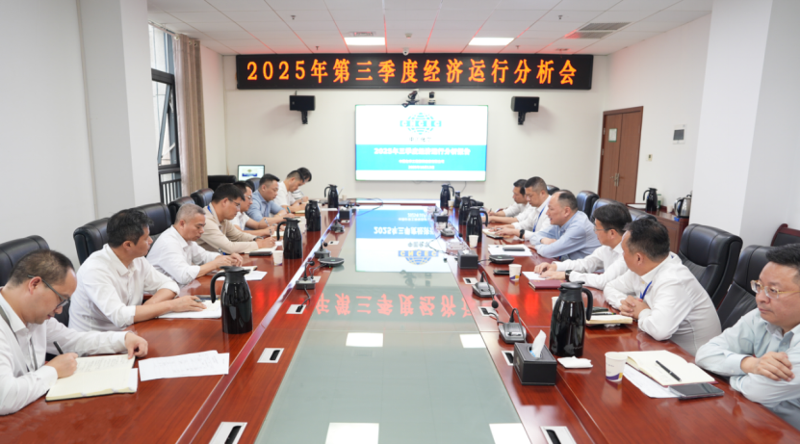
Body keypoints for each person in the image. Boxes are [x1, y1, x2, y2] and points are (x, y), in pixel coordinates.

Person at [0, 250, 149, 414]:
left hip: (32, 410)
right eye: (60, 299)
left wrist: (123, 339)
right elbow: (5, 397)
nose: (58, 311)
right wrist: (53, 370)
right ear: (34, 284)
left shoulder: (34, 315)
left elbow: (74, 340)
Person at [696, 244, 800, 430]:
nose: (760, 298)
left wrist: (729, 374)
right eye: (759, 286)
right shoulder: (760, 317)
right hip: (753, 418)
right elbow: (704, 354)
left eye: (773, 291)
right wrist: (750, 365)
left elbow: (758, 391)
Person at [69, 209, 207, 332]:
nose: (151, 241)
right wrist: (171, 305)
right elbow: (120, 317)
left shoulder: (137, 259)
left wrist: (149, 306)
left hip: (130, 332)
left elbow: (169, 285)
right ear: (128, 245)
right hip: (95, 344)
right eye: (146, 238)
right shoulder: (95, 269)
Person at [605, 217, 720, 356]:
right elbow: (610, 287)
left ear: (638, 258)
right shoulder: (646, 266)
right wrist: (625, 305)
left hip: (692, 359)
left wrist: (641, 312)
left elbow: (659, 330)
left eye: (624, 251)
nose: (622, 255)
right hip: (660, 348)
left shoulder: (674, 280)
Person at [534, 202, 631, 289]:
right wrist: (556, 267)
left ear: (612, 233)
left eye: (597, 229)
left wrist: (567, 275)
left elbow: (603, 281)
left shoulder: (628, 253)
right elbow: (585, 264)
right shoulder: (607, 247)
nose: (595, 232)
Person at [147, 204, 243, 285]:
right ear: (182, 224)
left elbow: (204, 256)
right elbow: (184, 276)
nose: (202, 231)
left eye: (203, 226)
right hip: (159, 296)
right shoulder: (168, 243)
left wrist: (225, 259)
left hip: (180, 289)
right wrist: (215, 264)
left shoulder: (187, 238)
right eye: (198, 227)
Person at [197, 184, 275, 254]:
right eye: (237, 205)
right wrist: (260, 244)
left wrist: (255, 239)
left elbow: (238, 236)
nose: (238, 210)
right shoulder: (205, 220)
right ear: (225, 202)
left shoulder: (223, 218)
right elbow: (229, 247)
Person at [530, 190, 600, 260]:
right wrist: (543, 240)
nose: (547, 213)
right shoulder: (560, 222)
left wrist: (536, 247)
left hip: (588, 267)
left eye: (551, 209)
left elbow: (548, 251)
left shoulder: (579, 227)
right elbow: (533, 237)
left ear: (566, 211)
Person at [491, 176, 552, 241]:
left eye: (530, 196)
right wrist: (505, 227)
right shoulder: (537, 206)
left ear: (542, 193)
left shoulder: (552, 208)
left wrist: (513, 231)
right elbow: (525, 224)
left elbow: (541, 236)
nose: (527, 199)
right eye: (527, 195)